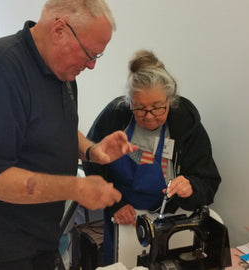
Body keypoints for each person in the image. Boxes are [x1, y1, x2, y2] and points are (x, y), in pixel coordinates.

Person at [0, 0, 137, 269]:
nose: (92, 65)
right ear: (59, 30)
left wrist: (92, 150)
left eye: (97, 56)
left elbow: (59, 128)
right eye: (89, 53)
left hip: (41, 235)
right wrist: (76, 188)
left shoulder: (63, 73)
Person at [83, 49, 222, 265]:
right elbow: (91, 159)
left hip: (170, 220)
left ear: (170, 99)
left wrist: (191, 187)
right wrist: (115, 203)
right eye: (140, 109)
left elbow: (209, 182)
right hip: (125, 217)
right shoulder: (115, 116)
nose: (149, 117)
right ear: (130, 103)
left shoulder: (186, 125)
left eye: (158, 108)